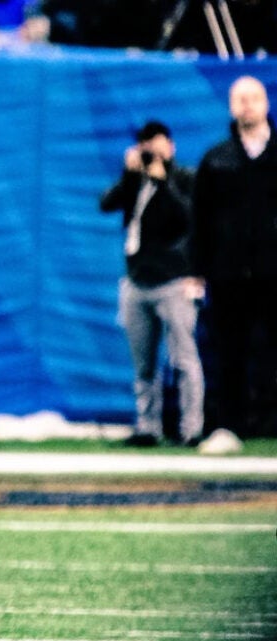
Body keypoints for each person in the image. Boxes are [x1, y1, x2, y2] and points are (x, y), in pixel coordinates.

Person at [99, 120, 202, 448]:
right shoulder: (135, 182)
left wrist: (164, 181)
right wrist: (130, 174)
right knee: (143, 363)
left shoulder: (184, 178)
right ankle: (148, 426)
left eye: (156, 146)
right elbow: (106, 203)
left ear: (170, 147)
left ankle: (191, 427)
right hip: (137, 280)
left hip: (172, 280)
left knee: (183, 358)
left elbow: (187, 219)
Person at [193, 75, 277, 453]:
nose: (247, 105)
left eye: (254, 98)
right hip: (228, 274)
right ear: (230, 106)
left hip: (273, 271)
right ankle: (229, 426)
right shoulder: (217, 158)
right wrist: (196, 271)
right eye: (239, 98)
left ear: (266, 104)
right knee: (230, 352)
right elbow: (200, 219)